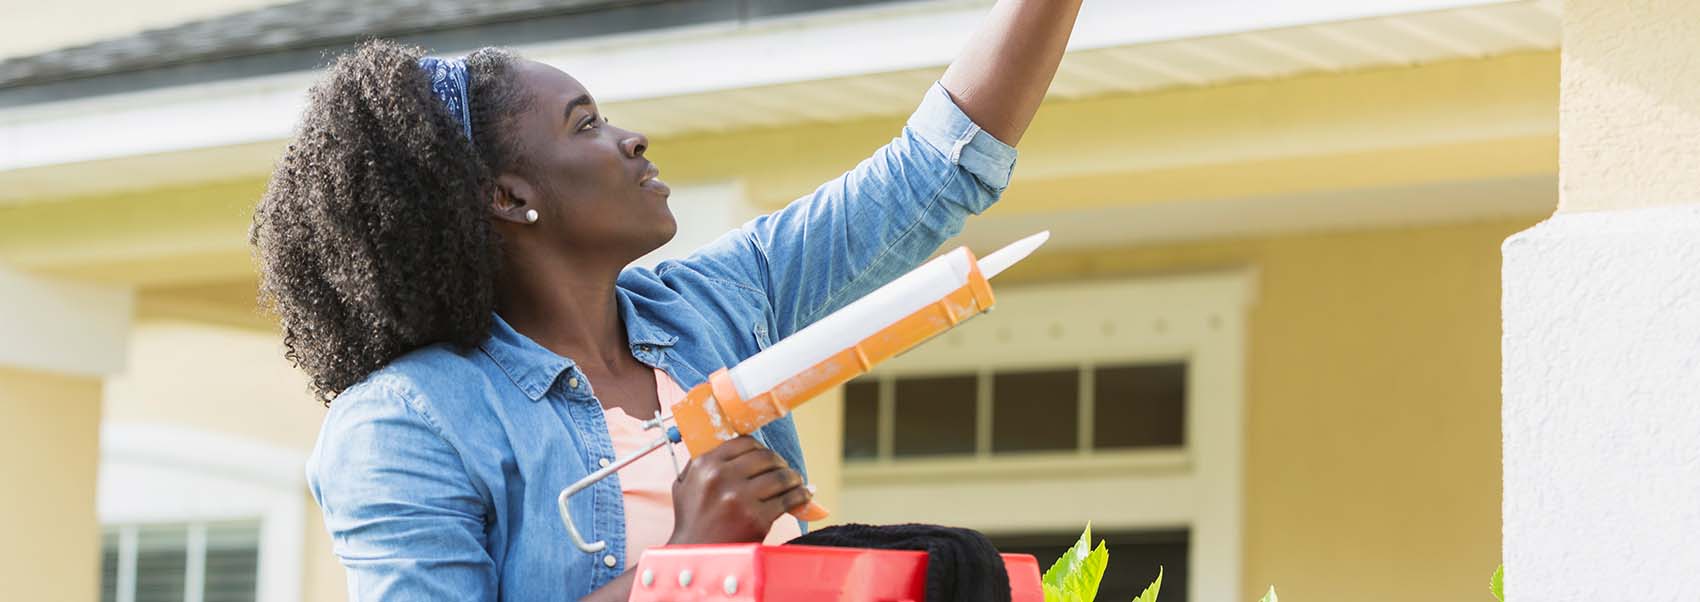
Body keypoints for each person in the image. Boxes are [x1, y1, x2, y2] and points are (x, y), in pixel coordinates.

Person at [250, 0, 1084, 599]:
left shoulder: (712, 310)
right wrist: (689, 563)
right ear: (508, 198)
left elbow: (935, 169)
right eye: (585, 125)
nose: (630, 138)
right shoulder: (408, 423)